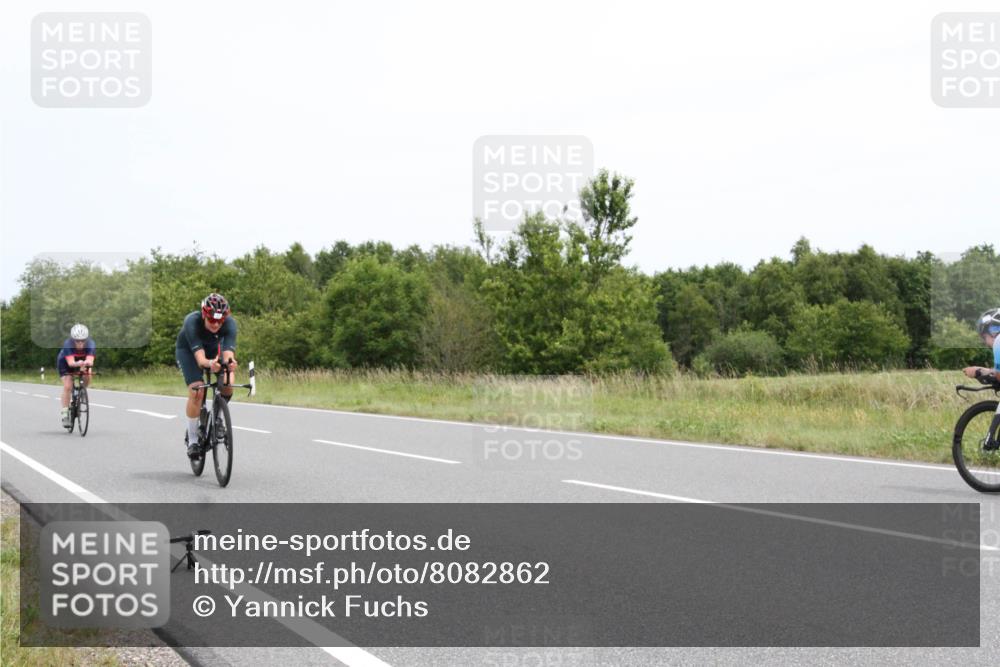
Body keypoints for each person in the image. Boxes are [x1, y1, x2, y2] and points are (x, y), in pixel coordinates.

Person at [176, 293, 238, 458]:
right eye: (212, 320)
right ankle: (193, 440)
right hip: (189, 352)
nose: (216, 324)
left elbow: (228, 355)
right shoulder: (192, 321)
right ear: (204, 315)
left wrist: (230, 365)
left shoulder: (230, 324)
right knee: (197, 390)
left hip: (213, 350)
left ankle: (217, 418)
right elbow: (201, 360)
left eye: (220, 321)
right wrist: (211, 364)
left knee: (227, 383)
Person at [58, 323, 95, 427]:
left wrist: (85, 364)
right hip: (65, 363)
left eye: (83, 340)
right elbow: (70, 363)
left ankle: (82, 390)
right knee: (68, 386)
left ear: (86, 339)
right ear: (72, 339)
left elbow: (90, 360)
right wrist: (79, 364)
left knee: (88, 372)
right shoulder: (68, 344)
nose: (80, 343)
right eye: (77, 341)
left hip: (81, 361)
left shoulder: (90, 344)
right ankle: (65, 415)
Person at [963, 307, 1000, 384]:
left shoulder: (998, 341)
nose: (986, 343)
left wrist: (979, 372)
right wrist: (980, 370)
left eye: (984, 337)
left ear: (992, 332)